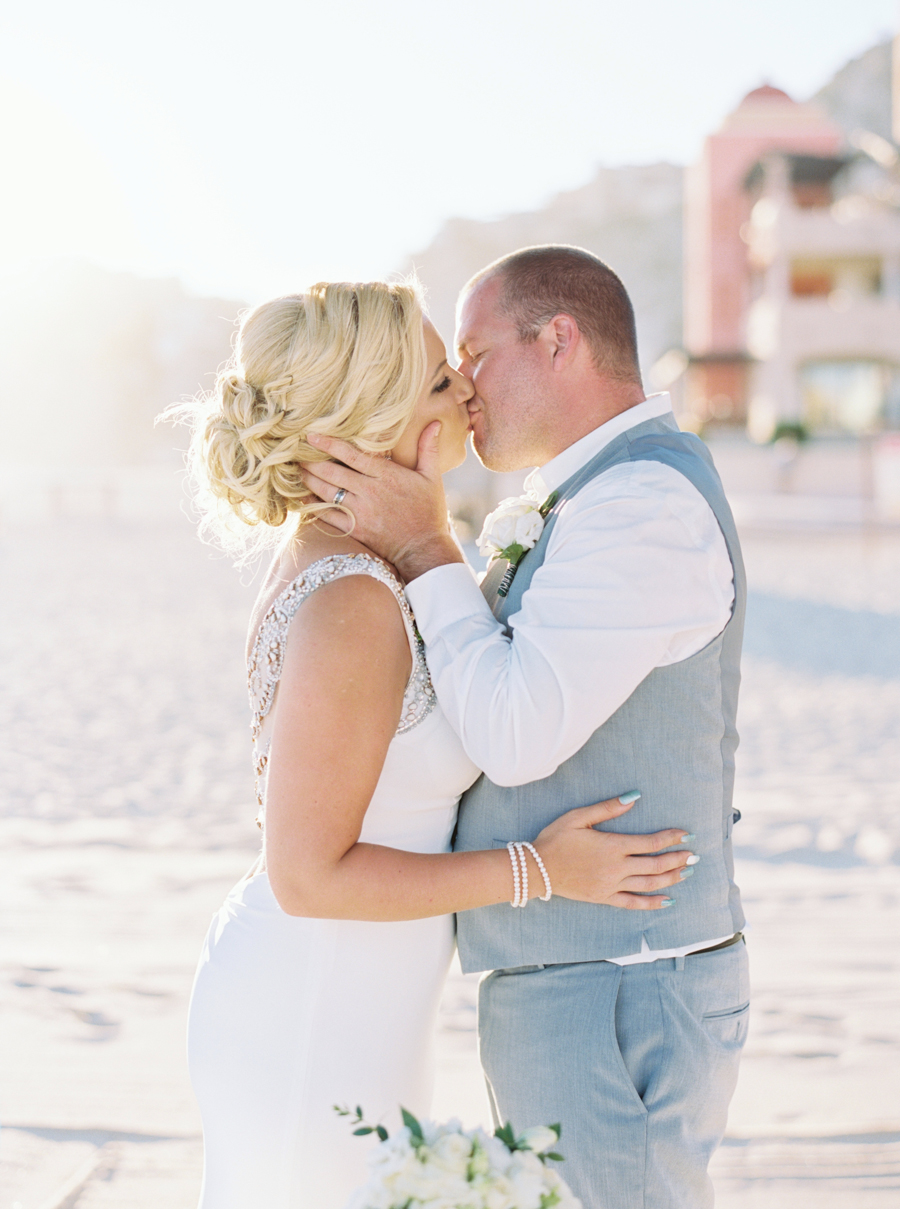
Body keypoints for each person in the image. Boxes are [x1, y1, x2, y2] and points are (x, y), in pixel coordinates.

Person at [174, 279, 695, 1209]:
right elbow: (307, 873)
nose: (465, 387)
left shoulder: (367, 567)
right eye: (434, 383)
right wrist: (539, 870)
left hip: (358, 997)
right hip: (315, 999)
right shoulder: (353, 602)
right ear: (369, 423)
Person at [299, 247, 749, 1209]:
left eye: (474, 352)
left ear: (559, 340)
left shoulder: (641, 505)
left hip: (617, 978)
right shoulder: (596, 497)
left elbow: (511, 734)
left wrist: (428, 546)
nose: (461, 386)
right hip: (582, 972)